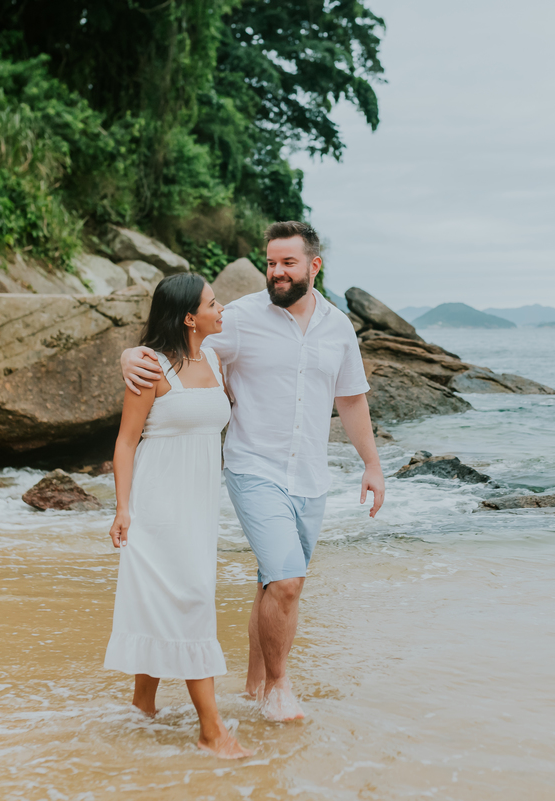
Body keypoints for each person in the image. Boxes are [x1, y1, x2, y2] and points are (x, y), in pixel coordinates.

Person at [120, 221, 386, 722]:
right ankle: (281, 688)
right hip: (253, 467)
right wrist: (129, 354)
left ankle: (256, 688)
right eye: (270, 262)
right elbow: (177, 349)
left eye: (287, 263)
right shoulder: (237, 318)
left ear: (314, 265)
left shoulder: (338, 328)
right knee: (286, 579)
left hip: (311, 477)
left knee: (276, 583)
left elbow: (350, 399)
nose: (276, 272)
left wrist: (371, 465)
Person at [104, 272, 251, 759]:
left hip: (199, 508)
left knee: (171, 603)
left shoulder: (212, 356)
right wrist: (123, 510)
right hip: (158, 507)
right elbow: (125, 445)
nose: (221, 307)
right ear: (190, 317)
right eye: (213, 302)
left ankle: (141, 706)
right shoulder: (151, 368)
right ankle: (211, 730)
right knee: (189, 599)